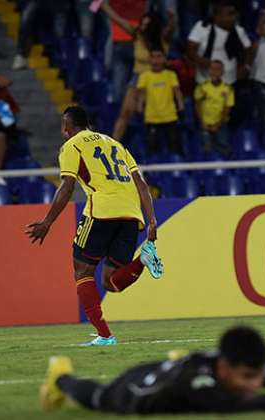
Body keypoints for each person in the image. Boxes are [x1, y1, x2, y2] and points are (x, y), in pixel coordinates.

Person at [25, 106, 164, 347]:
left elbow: (67, 186)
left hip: (101, 211)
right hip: (131, 215)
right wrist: (151, 219)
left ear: (68, 126)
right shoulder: (115, 143)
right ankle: (143, 260)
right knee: (111, 282)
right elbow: (141, 183)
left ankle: (105, 336)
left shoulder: (72, 145)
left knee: (82, 272)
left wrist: (47, 222)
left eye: (63, 126)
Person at [39, 326, 265, 413]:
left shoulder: (245, 364)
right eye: (248, 378)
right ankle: (61, 376)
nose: (255, 383)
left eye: (258, 376)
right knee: (99, 398)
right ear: (223, 368)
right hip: (138, 390)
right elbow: (240, 405)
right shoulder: (197, 383)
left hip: (175, 367)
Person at [107, 9, 175, 142]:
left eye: (146, 25)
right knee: (125, 113)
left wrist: (172, 19)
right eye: (142, 24)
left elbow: (172, 26)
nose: (143, 27)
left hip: (158, 80)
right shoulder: (137, 34)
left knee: (155, 117)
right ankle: (113, 146)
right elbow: (117, 19)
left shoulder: (163, 39)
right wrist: (101, 5)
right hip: (137, 79)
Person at [187, 1, 254, 86]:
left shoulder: (238, 31)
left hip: (229, 82)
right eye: (230, 15)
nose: (234, 18)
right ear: (217, 17)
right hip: (204, 82)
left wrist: (247, 67)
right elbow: (190, 50)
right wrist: (205, 63)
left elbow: (249, 51)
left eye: (234, 14)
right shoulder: (202, 27)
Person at [137, 48, 185, 155]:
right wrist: (139, 106)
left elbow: (176, 91)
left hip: (170, 116)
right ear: (149, 59)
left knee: (174, 147)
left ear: (164, 59)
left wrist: (181, 105)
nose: (156, 60)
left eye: (159, 57)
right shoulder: (144, 76)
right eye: (153, 57)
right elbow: (142, 94)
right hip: (152, 117)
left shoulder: (171, 75)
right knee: (152, 148)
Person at [194, 60, 234, 155]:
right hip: (205, 124)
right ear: (209, 71)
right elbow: (197, 105)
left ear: (223, 72)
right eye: (213, 69)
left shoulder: (228, 89)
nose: (215, 72)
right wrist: (202, 122)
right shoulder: (202, 87)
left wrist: (218, 124)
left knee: (223, 149)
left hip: (221, 124)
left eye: (218, 69)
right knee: (206, 150)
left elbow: (227, 109)